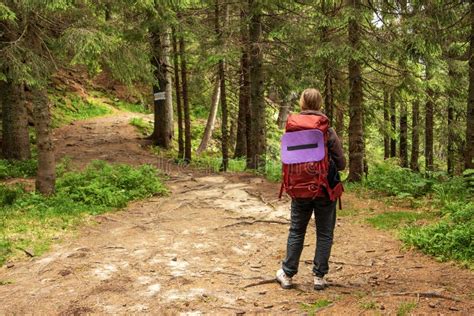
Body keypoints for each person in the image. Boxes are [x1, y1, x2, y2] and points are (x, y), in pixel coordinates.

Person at [276, 88, 346, 290]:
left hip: (298, 189)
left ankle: (288, 274)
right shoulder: (327, 130)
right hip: (324, 189)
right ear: (320, 105)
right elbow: (341, 163)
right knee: (325, 232)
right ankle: (319, 277)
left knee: (297, 230)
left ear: (302, 104)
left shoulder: (292, 129)